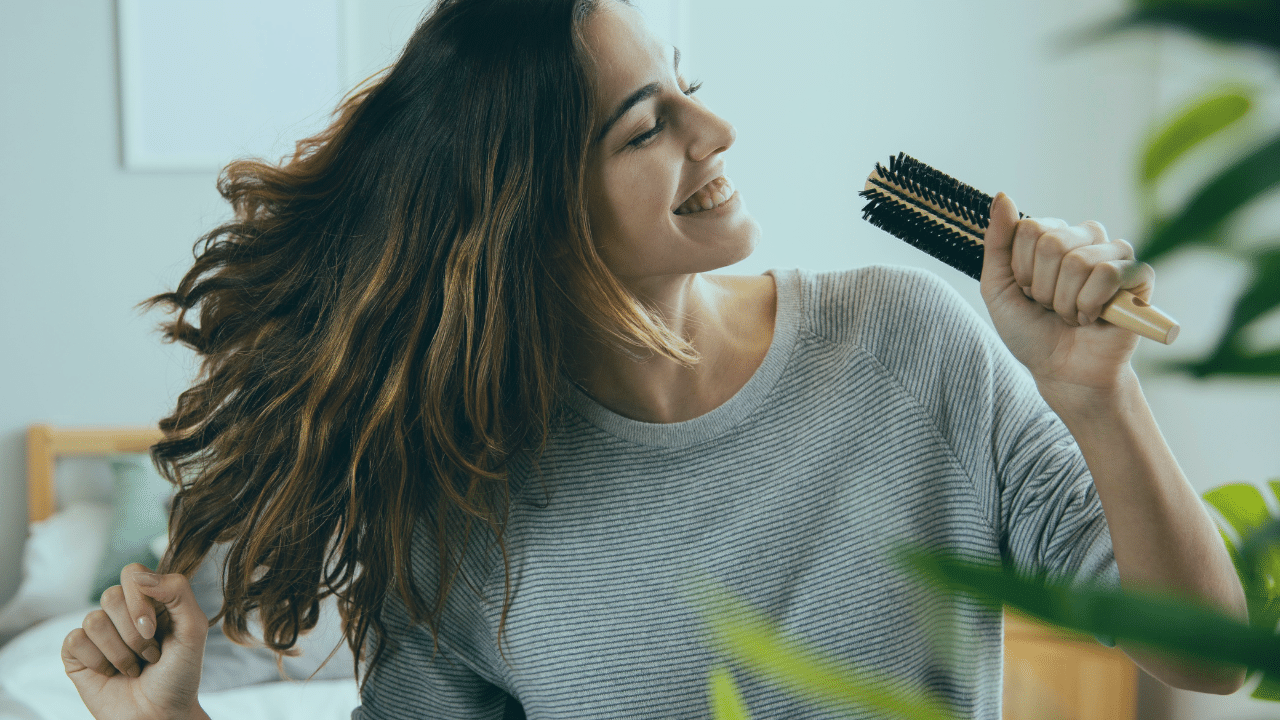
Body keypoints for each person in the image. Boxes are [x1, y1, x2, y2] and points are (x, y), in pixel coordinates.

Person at [60, 0, 1248, 718]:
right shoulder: (462, 510)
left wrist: (1094, 393)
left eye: (688, 89)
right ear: (526, 217)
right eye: (646, 126)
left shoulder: (911, 342)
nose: (714, 133)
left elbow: (1204, 657)